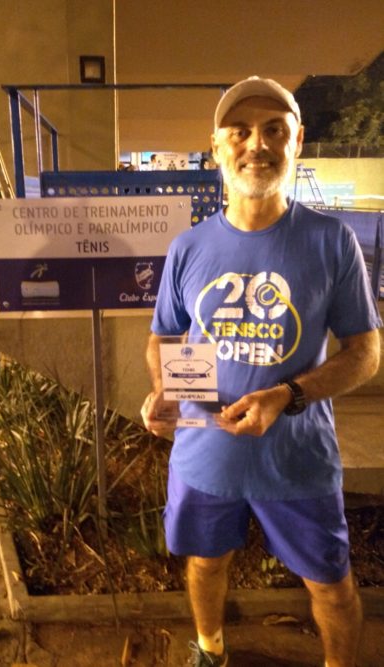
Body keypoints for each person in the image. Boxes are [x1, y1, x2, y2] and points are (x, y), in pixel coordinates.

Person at [141, 76, 382, 667]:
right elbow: (164, 336)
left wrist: (288, 394)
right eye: (240, 131)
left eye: (274, 130)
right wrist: (165, 388)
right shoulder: (188, 247)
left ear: (296, 141)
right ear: (216, 147)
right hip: (205, 455)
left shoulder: (331, 241)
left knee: (331, 586)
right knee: (206, 563)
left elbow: (365, 351)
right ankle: (210, 650)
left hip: (298, 460)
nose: (257, 144)